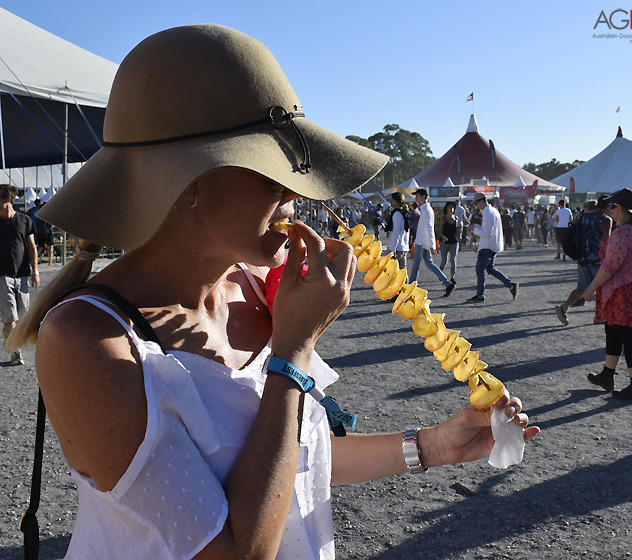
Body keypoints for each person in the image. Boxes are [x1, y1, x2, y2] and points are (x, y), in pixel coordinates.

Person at [6, 26, 538, 560]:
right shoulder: (87, 340)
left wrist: (431, 446)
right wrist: (291, 350)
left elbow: (297, 459)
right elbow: (236, 551)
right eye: (274, 171)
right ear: (189, 181)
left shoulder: (254, 287)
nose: (296, 191)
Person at [583, 188, 632, 402]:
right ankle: (607, 374)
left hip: (625, 289)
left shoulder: (623, 232)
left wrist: (590, 288)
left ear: (622, 208)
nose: (609, 209)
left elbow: (609, 267)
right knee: (612, 329)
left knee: (627, 336)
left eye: (613, 206)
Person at [555, 198, 612, 326]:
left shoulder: (584, 216)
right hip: (598, 259)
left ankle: (565, 306)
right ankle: (599, 316)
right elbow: (605, 241)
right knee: (603, 288)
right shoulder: (605, 220)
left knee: (582, 287)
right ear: (607, 205)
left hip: (583, 256)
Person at [1, 185, 40, 366]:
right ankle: (15, 353)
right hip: (2, 277)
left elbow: (32, 247)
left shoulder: (24, 220)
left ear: (8, 199)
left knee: (23, 316)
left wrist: (35, 271)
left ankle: (10, 341)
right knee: (10, 318)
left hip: (23, 276)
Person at [466, 192, 519, 303]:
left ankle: (480, 295)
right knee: (490, 269)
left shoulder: (488, 213)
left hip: (488, 246)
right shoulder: (493, 211)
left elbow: (487, 232)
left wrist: (473, 228)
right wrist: (480, 244)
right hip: (491, 245)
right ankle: (510, 285)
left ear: (481, 201)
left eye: (476, 203)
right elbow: (490, 232)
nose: (476, 206)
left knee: (480, 270)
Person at [408, 189, 456, 297]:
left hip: (422, 242)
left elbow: (430, 228)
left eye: (417, 196)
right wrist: (431, 245)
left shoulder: (425, 210)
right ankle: (447, 283)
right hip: (424, 242)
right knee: (429, 264)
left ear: (423, 196)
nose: (416, 198)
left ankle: (409, 289)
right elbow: (429, 228)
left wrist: (432, 245)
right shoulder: (426, 209)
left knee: (416, 266)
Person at [438, 201, 459, 284]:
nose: (451, 208)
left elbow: (456, 231)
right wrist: (442, 236)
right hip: (444, 242)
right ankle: (441, 273)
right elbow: (440, 230)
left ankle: (452, 277)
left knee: (453, 259)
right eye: (450, 207)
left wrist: (459, 238)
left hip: (454, 241)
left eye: (453, 207)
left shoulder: (456, 218)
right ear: (446, 208)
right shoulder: (443, 219)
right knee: (444, 260)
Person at [387, 192, 410, 269]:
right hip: (404, 247)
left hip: (398, 248)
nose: (391, 201)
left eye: (392, 199)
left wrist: (393, 249)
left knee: (392, 271)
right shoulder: (403, 213)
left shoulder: (396, 214)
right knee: (402, 272)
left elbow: (396, 232)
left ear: (397, 201)